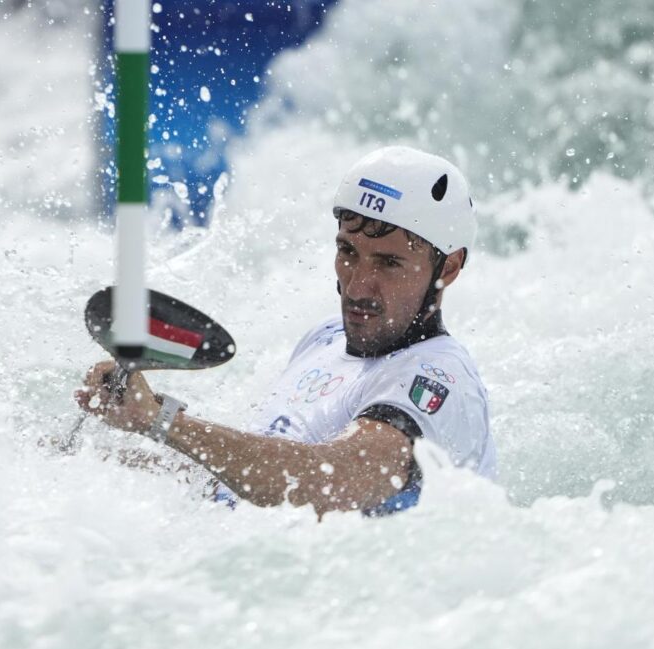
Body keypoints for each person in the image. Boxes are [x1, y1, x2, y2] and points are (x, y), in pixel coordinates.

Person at [76, 146, 496, 517]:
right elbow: (245, 484)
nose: (357, 285)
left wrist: (164, 421)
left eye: (389, 264)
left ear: (450, 267)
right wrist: (113, 448)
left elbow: (330, 483)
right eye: (348, 252)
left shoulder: (438, 381)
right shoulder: (325, 339)